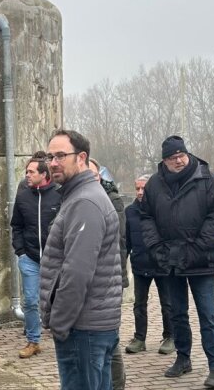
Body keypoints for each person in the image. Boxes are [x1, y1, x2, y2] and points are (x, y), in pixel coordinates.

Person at [135, 135, 214, 389]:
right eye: (172, 157)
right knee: (177, 313)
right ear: (164, 161)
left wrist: (199, 246)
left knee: (207, 315)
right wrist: (156, 247)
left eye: (181, 155)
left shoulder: (205, 179)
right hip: (169, 260)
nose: (178, 160)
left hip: (201, 259)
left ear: (187, 154)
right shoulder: (154, 184)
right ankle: (183, 357)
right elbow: (146, 218)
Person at [39, 129, 122, 390]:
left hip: (83, 329)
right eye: (50, 156)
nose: (53, 163)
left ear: (82, 157)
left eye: (61, 156)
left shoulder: (85, 202)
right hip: (89, 327)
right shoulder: (77, 196)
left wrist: (60, 324)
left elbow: (77, 272)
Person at [10, 151, 61, 359]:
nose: (27, 175)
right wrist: (20, 252)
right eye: (26, 172)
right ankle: (33, 341)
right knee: (30, 301)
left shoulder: (59, 195)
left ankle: (62, 339)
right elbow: (16, 226)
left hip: (55, 260)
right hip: (30, 259)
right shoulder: (22, 196)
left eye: (31, 172)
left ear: (44, 174)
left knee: (58, 301)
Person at [86, 158, 127, 390]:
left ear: (99, 176)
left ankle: (117, 385)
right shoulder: (76, 199)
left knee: (111, 340)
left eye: (93, 174)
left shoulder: (111, 200)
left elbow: (118, 240)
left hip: (109, 279)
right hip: (91, 281)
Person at [124, 175, 175, 355]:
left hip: (162, 265)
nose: (139, 192)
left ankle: (170, 336)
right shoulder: (129, 212)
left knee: (167, 303)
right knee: (139, 304)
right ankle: (139, 338)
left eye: (143, 188)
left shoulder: (163, 209)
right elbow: (126, 240)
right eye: (137, 188)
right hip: (140, 265)